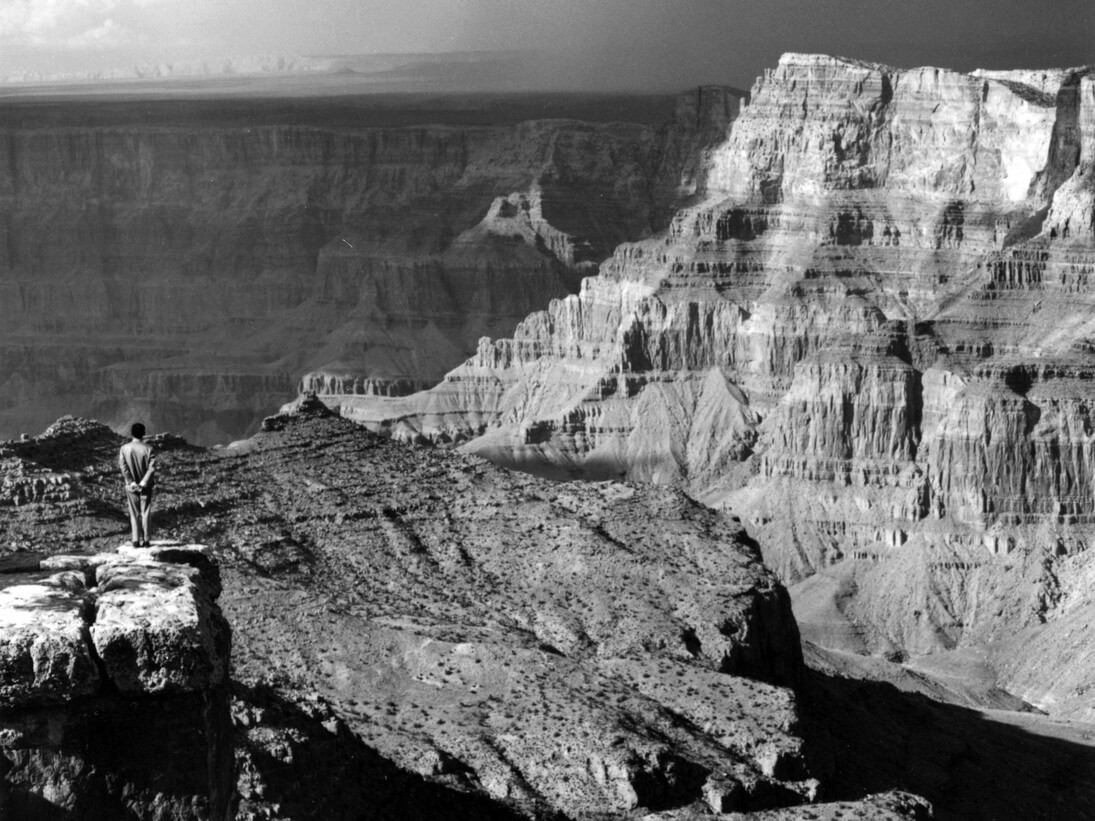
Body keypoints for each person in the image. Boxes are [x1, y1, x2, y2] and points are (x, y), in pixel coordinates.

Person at [119, 422, 156, 547]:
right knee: (145, 511)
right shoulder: (149, 449)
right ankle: (146, 540)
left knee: (134, 513)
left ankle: (135, 540)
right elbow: (152, 468)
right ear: (144, 433)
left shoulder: (124, 448)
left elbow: (123, 467)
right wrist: (143, 482)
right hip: (146, 487)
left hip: (131, 487)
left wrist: (132, 482)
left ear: (131, 433)